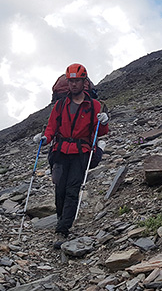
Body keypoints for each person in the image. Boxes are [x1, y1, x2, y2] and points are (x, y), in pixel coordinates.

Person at [33, 63, 108, 247]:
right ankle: (61, 218)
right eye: (71, 81)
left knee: (72, 190)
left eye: (77, 81)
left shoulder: (94, 105)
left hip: (80, 153)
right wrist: (45, 138)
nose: (74, 85)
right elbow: (51, 128)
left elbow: (101, 131)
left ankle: (63, 229)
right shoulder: (60, 105)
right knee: (60, 190)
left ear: (85, 82)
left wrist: (105, 121)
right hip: (59, 152)